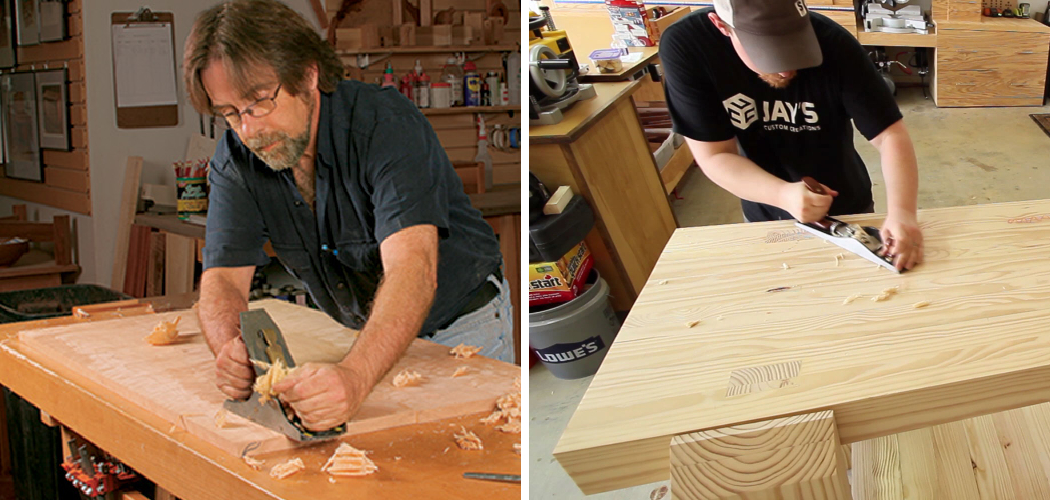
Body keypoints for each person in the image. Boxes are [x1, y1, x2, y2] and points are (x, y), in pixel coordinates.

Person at [183, 0, 512, 432]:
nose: (249, 130)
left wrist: (356, 377)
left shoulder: (385, 126)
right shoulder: (237, 159)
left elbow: (412, 267)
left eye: (259, 103)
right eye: (229, 114)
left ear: (308, 74)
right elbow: (223, 278)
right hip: (365, 336)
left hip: (459, 330)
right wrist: (229, 347)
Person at [659, 0, 924, 271]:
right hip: (762, 203)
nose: (786, 70)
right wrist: (782, 194)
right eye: (767, 52)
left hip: (847, 203)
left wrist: (902, 213)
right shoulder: (688, 47)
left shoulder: (835, 43)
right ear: (722, 27)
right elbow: (715, 155)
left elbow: (890, 135)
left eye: (795, 46)